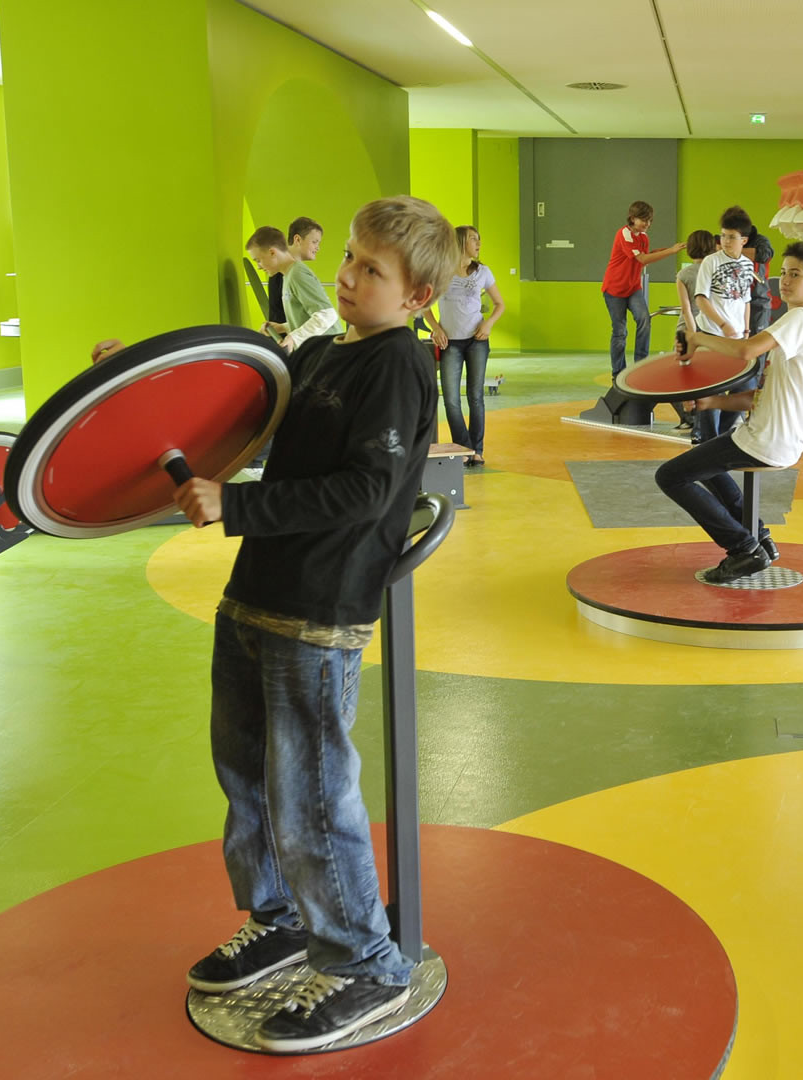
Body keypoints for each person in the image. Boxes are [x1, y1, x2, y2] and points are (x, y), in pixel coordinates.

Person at [92, 197, 451, 1054]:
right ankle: (282, 918)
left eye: (373, 271)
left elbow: (367, 491)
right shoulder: (326, 349)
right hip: (256, 592)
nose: (350, 276)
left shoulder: (398, 366)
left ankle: (365, 962)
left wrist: (239, 504)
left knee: (311, 799)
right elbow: (240, 419)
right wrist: (136, 385)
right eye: (352, 258)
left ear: (418, 296)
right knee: (244, 772)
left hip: (319, 610)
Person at [655, 241, 803, 583]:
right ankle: (760, 538)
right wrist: (712, 403)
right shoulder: (802, 327)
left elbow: (746, 349)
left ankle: (743, 548)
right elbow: (759, 397)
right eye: (783, 273)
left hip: (766, 441)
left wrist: (699, 338)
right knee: (703, 461)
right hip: (772, 438)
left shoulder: (801, 318)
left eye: (795, 274)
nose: (785, 280)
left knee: (670, 476)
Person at [425, 224, 505, 467]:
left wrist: (489, 323)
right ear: (460, 242)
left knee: (475, 396)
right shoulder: (440, 271)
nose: (478, 243)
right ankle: (464, 447)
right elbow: (424, 305)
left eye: (479, 239)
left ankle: (477, 450)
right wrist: (436, 328)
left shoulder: (483, 271)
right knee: (450, 398)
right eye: (473, 239)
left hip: (477, 341)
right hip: (450, 343)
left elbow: (499, 304)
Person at [692, 207, 758, 442]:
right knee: (713, 389)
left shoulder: (749, 265)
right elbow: (701, 298)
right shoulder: (711, 261)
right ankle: (707, 440)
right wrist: (722, 323)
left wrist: (746, 330)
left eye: (732, 237)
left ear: (744, 240)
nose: (726, 241)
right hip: (712, 334)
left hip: (738, 339)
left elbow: (746, 300)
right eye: (723, 236)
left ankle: (722, 435)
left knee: (745, 386)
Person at [602, 201, 684, 376]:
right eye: (643, 220)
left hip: (633, 288)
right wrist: (671, 252)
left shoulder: (643, 236)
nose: (647, 224)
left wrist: (671, 248)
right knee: (620, 332)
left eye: (650, 220)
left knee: (644, 319)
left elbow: (646, 255)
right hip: (614, 289)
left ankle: (640, 366)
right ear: (632, 218)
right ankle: (618, 373)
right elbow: (642, 260)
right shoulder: (624, 234)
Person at [247, 226, 337, 352]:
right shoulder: (287, 276)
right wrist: (282, 327)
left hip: (326, 352)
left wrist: (293, 338)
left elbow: (327, 315)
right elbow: (305, 319)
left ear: (272, 252)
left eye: (258, 260)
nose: (258, 267)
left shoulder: (297, 274)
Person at [670, 229, 719, 433]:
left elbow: (686, 308)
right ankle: (704, 424)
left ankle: (688, 419)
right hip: (712, 328)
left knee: (679, 377)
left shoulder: (684, 274)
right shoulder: (715, 271)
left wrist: (692, 333)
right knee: (707, 379)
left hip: (687, 329)